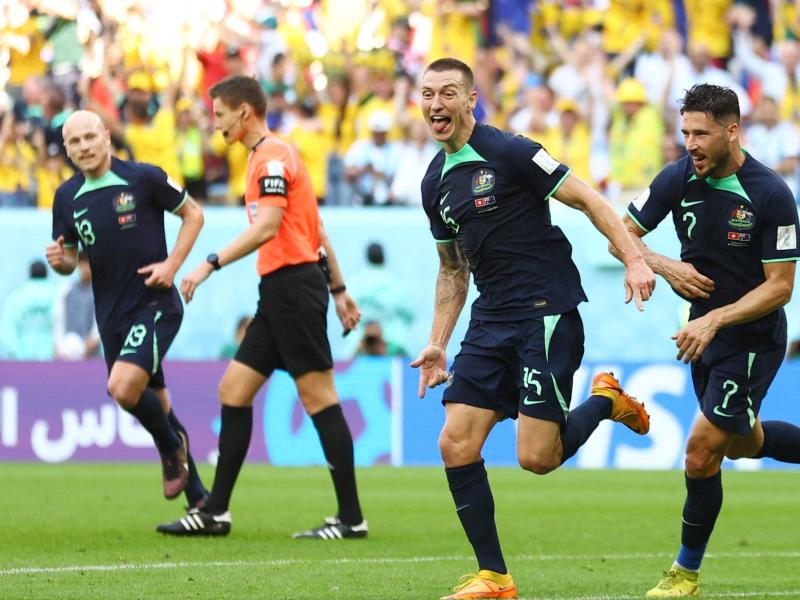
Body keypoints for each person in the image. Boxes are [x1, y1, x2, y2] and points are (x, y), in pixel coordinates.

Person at [619, 84, 800, 598]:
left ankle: (684, 574)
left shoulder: (769, 193)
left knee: (700, 453)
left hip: (752, 337)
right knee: (742, 443)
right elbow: (620, 230)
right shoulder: (676, 177)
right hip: (702, 336)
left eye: (701, 133)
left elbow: (780, 287)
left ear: (732, 130)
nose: (690, 143)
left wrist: (714, 320)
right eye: (685, 131)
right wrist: (664, 265)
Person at [411, 58, 656, 600]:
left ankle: (605, 400)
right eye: (427, 94)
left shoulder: (512, 151)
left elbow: (588, 198)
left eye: (447, 93)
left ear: (471, 99)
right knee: (455, 442)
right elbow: (453, 269)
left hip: (545, 312)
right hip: (489, 318)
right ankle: (495, 578)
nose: (435, 105)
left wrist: (635, 258)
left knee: (537, 459)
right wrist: (437, 342)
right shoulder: (434, 181)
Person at [156, 75, 366, 540]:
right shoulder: (272, 156)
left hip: (293, 289)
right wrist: (339, 288)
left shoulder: (271, 157)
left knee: (320, 399)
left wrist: (209, 262)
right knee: (233, 390)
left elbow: (268, 227)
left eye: (220, 116)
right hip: (283, 292)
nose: (216, 126)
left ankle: (351, 518)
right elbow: (316, 229)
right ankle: (216, 512)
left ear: (244, 112)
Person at [46, 110, 208, 511]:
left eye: (89, 137)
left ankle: (172, 448)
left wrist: (172, 266)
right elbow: (69, 261)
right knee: (160, 404)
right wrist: (60, 261)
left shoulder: (144, 178)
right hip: (111, 317)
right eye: (74, 142)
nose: (84, 146)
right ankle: (202, 504)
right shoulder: (66, 197)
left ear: (105, 136)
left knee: (121, 387)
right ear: (66, 150)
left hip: (155, 304)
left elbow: (194, 214)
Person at [0, 260, 55, 360]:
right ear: (47, 274)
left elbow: (7, 329)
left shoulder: (17, 297)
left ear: (30, 274)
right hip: (52, 360)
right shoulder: (57, 294)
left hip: (23, 362)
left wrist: (17, 354)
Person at [53, 251, 99, 360]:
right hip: (66, 353)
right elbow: (59, 319)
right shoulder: (66, 289)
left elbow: (99, 324)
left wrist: (92, 342)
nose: (87, 267)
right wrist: (58, 346)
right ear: (78, 264)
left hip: (91, 355)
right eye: (84, 263)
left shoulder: (99, 292)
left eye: (89, 263)